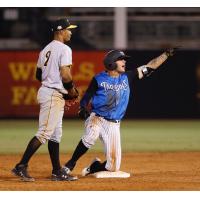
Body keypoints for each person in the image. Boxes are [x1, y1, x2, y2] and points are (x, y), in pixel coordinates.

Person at [63, 48, 178, 176]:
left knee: (113, 167)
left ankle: (94, 167)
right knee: (91, 135)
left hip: (113, 124)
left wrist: (166, 55)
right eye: (121, 59)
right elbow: (87, 95)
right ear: (111, 62)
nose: (124, 61)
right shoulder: (99, 79)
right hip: (97, 118)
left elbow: (150, 66)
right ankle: (70, 164)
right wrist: (82, 107)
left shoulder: (127, 77)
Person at [11, 18, 79, 182]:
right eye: (68, 29)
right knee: (44, 133)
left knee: (55, 135)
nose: (70, 32)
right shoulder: (64, 49)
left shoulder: (45, 50)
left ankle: (56, 171)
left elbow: (38, 75)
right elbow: (65, 73)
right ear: (61, 31)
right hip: (52, 94)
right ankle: (21, 166)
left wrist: (57, 85)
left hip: (51, 92)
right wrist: (71, 91)